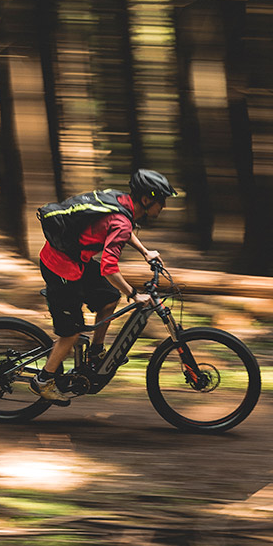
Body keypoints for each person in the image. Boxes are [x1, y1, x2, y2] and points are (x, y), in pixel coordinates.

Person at [33, 168, 176, 402]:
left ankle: (95, 353)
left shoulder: (121, 201)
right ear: (146, 199)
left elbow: (120, 228)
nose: (163, 206)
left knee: (109, 297)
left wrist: (145, 252)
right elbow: (109, 268)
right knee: (72, 333)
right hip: (60, 267)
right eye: (161, 200)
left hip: (74, 260)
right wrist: (133, 294)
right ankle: (44, 380)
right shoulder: (122, 220)